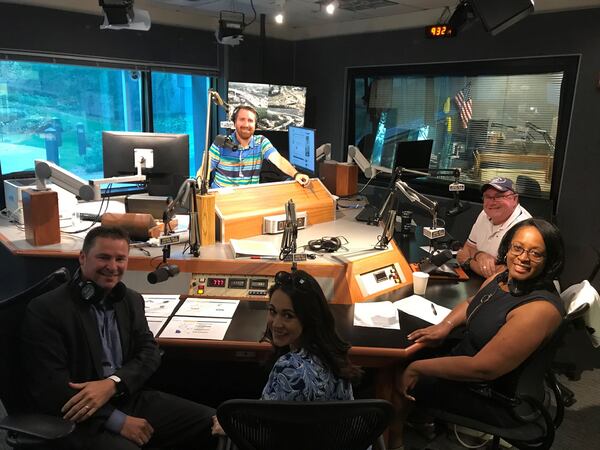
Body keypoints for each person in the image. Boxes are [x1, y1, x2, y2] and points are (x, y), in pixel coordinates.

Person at [21, 226, 216, 450]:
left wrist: (113, 384)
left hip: (124, 396)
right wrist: (117, 420)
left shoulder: (130, 300)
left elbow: (149, 352)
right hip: (77, 416)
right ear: (82, 258)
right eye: (103, 257)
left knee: (211, 423)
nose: (112, 267)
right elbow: (52, 389)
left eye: (120, 259)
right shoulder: (46, 310)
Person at [390, 218, 565, 449]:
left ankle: (394, 442)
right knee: (407, 354)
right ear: (508, 248)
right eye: (518, 248)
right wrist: (446, 325)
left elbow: (483, 368)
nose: (523, 258)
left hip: (493, 397)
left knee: (394, 374)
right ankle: (421, 418)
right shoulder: (504, 278)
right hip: (471, 366)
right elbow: (474, 301)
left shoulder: (538, 310)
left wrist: (416, 369)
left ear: (549, 260)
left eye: (535, 254)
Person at [212, 269, 361, 434]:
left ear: (308, 319)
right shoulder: (331, 353)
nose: (276, 323)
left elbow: (263, 428)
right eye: (273, 311)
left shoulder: (290, 368)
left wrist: (229, 425)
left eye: (288, 316)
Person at [197, 105, 311, 188]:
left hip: (249, 198)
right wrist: (200, 180)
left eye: (250, 121)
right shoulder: (221, 143)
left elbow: (279, 160)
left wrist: (296, 174)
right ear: (234, 123)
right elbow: (204, 169)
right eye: (242, 119)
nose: (246, 124)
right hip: (222, 198)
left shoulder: (261, 142)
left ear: (255, 125)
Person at [457, 177, 531, 278]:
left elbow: (505, 275)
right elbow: (467, 249)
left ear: (514, 199)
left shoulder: (524, 227)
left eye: (499, 196)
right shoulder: (485, 213)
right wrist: (480, 255)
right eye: (488, 197)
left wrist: (469, 262)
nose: (492, 202)